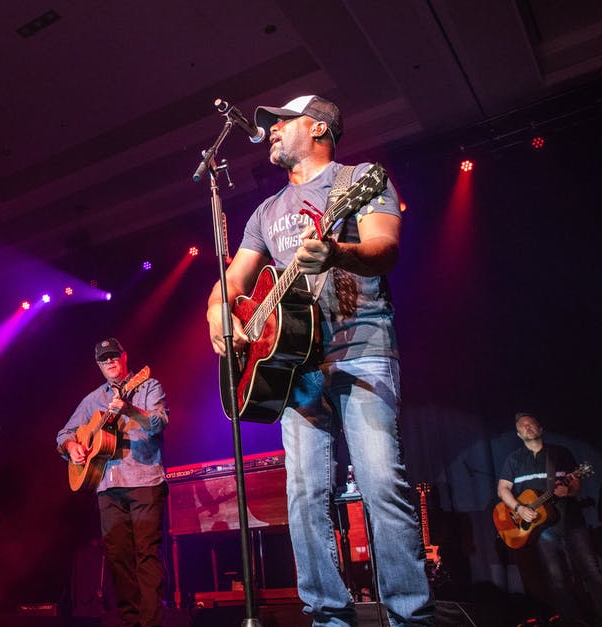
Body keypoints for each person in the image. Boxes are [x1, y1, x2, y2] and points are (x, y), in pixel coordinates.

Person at [205, 95, 432, 625]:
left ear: (319, 126)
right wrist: (220, 313)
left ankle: (410, 616)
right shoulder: (265, 213)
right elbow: (232, 282)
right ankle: (328, 615)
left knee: (381, 485)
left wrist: (338, 252)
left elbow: (386, 249)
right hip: (293, 366)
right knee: (305, 496)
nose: (273, 133)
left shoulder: (359, 179)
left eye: (282, 123)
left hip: (361, 348)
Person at [56, 338, 168, 627]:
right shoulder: (92, 399)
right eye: (104, 359)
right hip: (107, 486)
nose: (110, 362)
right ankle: (130, 622)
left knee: (147, 555)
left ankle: (152, 622)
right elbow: (63, 434)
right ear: (98, 365)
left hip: (144, 480)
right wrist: (71, 447)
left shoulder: (147, 385)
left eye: (114, 356)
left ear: (124, 356)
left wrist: (129, 409)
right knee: (118, 560)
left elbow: (159, 423)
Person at [497, 412, 602, 626]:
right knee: (557, 580)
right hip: (543, 530)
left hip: (572, 522)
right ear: (518, 434)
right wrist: (519, 508)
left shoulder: (560, 453)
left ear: (540, 429)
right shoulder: (514, 460)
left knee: (593, 572)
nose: (528, 427)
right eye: (523, 426)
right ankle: (572, 621)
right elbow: (502, 489)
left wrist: (569, 490)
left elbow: (576, 484)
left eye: (531, 424)